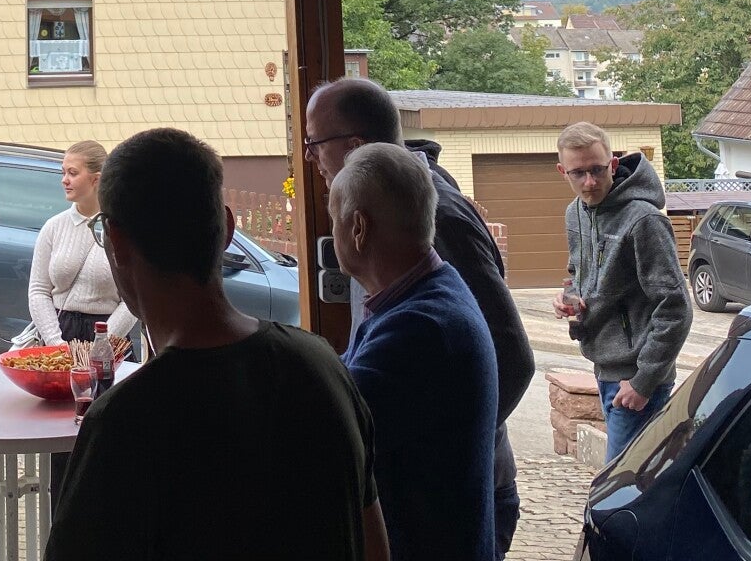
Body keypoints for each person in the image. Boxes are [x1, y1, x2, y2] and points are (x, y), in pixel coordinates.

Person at [45, 128, 389, 561]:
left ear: (117, 244)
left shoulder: (124, 423)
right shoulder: (324, 368)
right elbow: (375, 546)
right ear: (226, 228)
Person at [304, 78, 534, 554]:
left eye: (314, 143)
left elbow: (512, 355)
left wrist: (454, 444)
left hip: (446, 508)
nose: (310, 158)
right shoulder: (405, 257)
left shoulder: (435, 226)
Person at [334, 143, 499, 561]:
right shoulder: (430, 293)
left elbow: (326, 431)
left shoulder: (419, 329)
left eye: (334, 219)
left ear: (358, 228)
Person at [552, 122, 691, 463]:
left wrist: (643, 382)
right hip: (604, 370)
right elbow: (578, 275)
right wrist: (570, 299)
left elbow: (676, 308)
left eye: (597, 170)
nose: (589, 182)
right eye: (578, 173)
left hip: (637, 380)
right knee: (635, 480)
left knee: (620, 484)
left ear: (613, 164)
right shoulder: (575, 213)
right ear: (562, 171)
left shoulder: (644, 220)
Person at [26, 140, 135, 500]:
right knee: (63, 444)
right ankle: (61, 515)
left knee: (111, 434)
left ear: (96, 178)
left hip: (110, 339)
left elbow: (134, 298)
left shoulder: (124, 227)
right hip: (62, 335)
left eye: (72, 173)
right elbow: (38, 290)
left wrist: (102, 345)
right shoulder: (54, 227)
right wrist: (56, 344)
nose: (64, 179)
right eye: (63, 172)